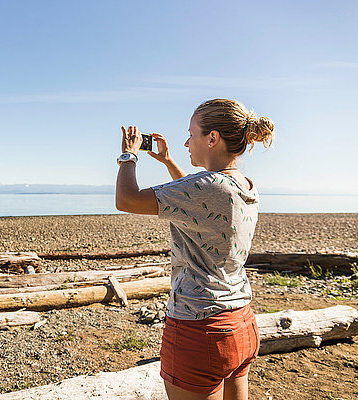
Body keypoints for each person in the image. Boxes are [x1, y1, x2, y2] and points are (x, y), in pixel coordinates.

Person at [115, 98, 275, 400]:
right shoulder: (243, 184)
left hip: (199, 328)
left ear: (212, 138)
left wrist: (129, 155)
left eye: (192, 133)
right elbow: (201, 199)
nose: (187, 142)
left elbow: (126, 199)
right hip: (240, 321)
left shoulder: (205, 186)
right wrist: (167, 161)